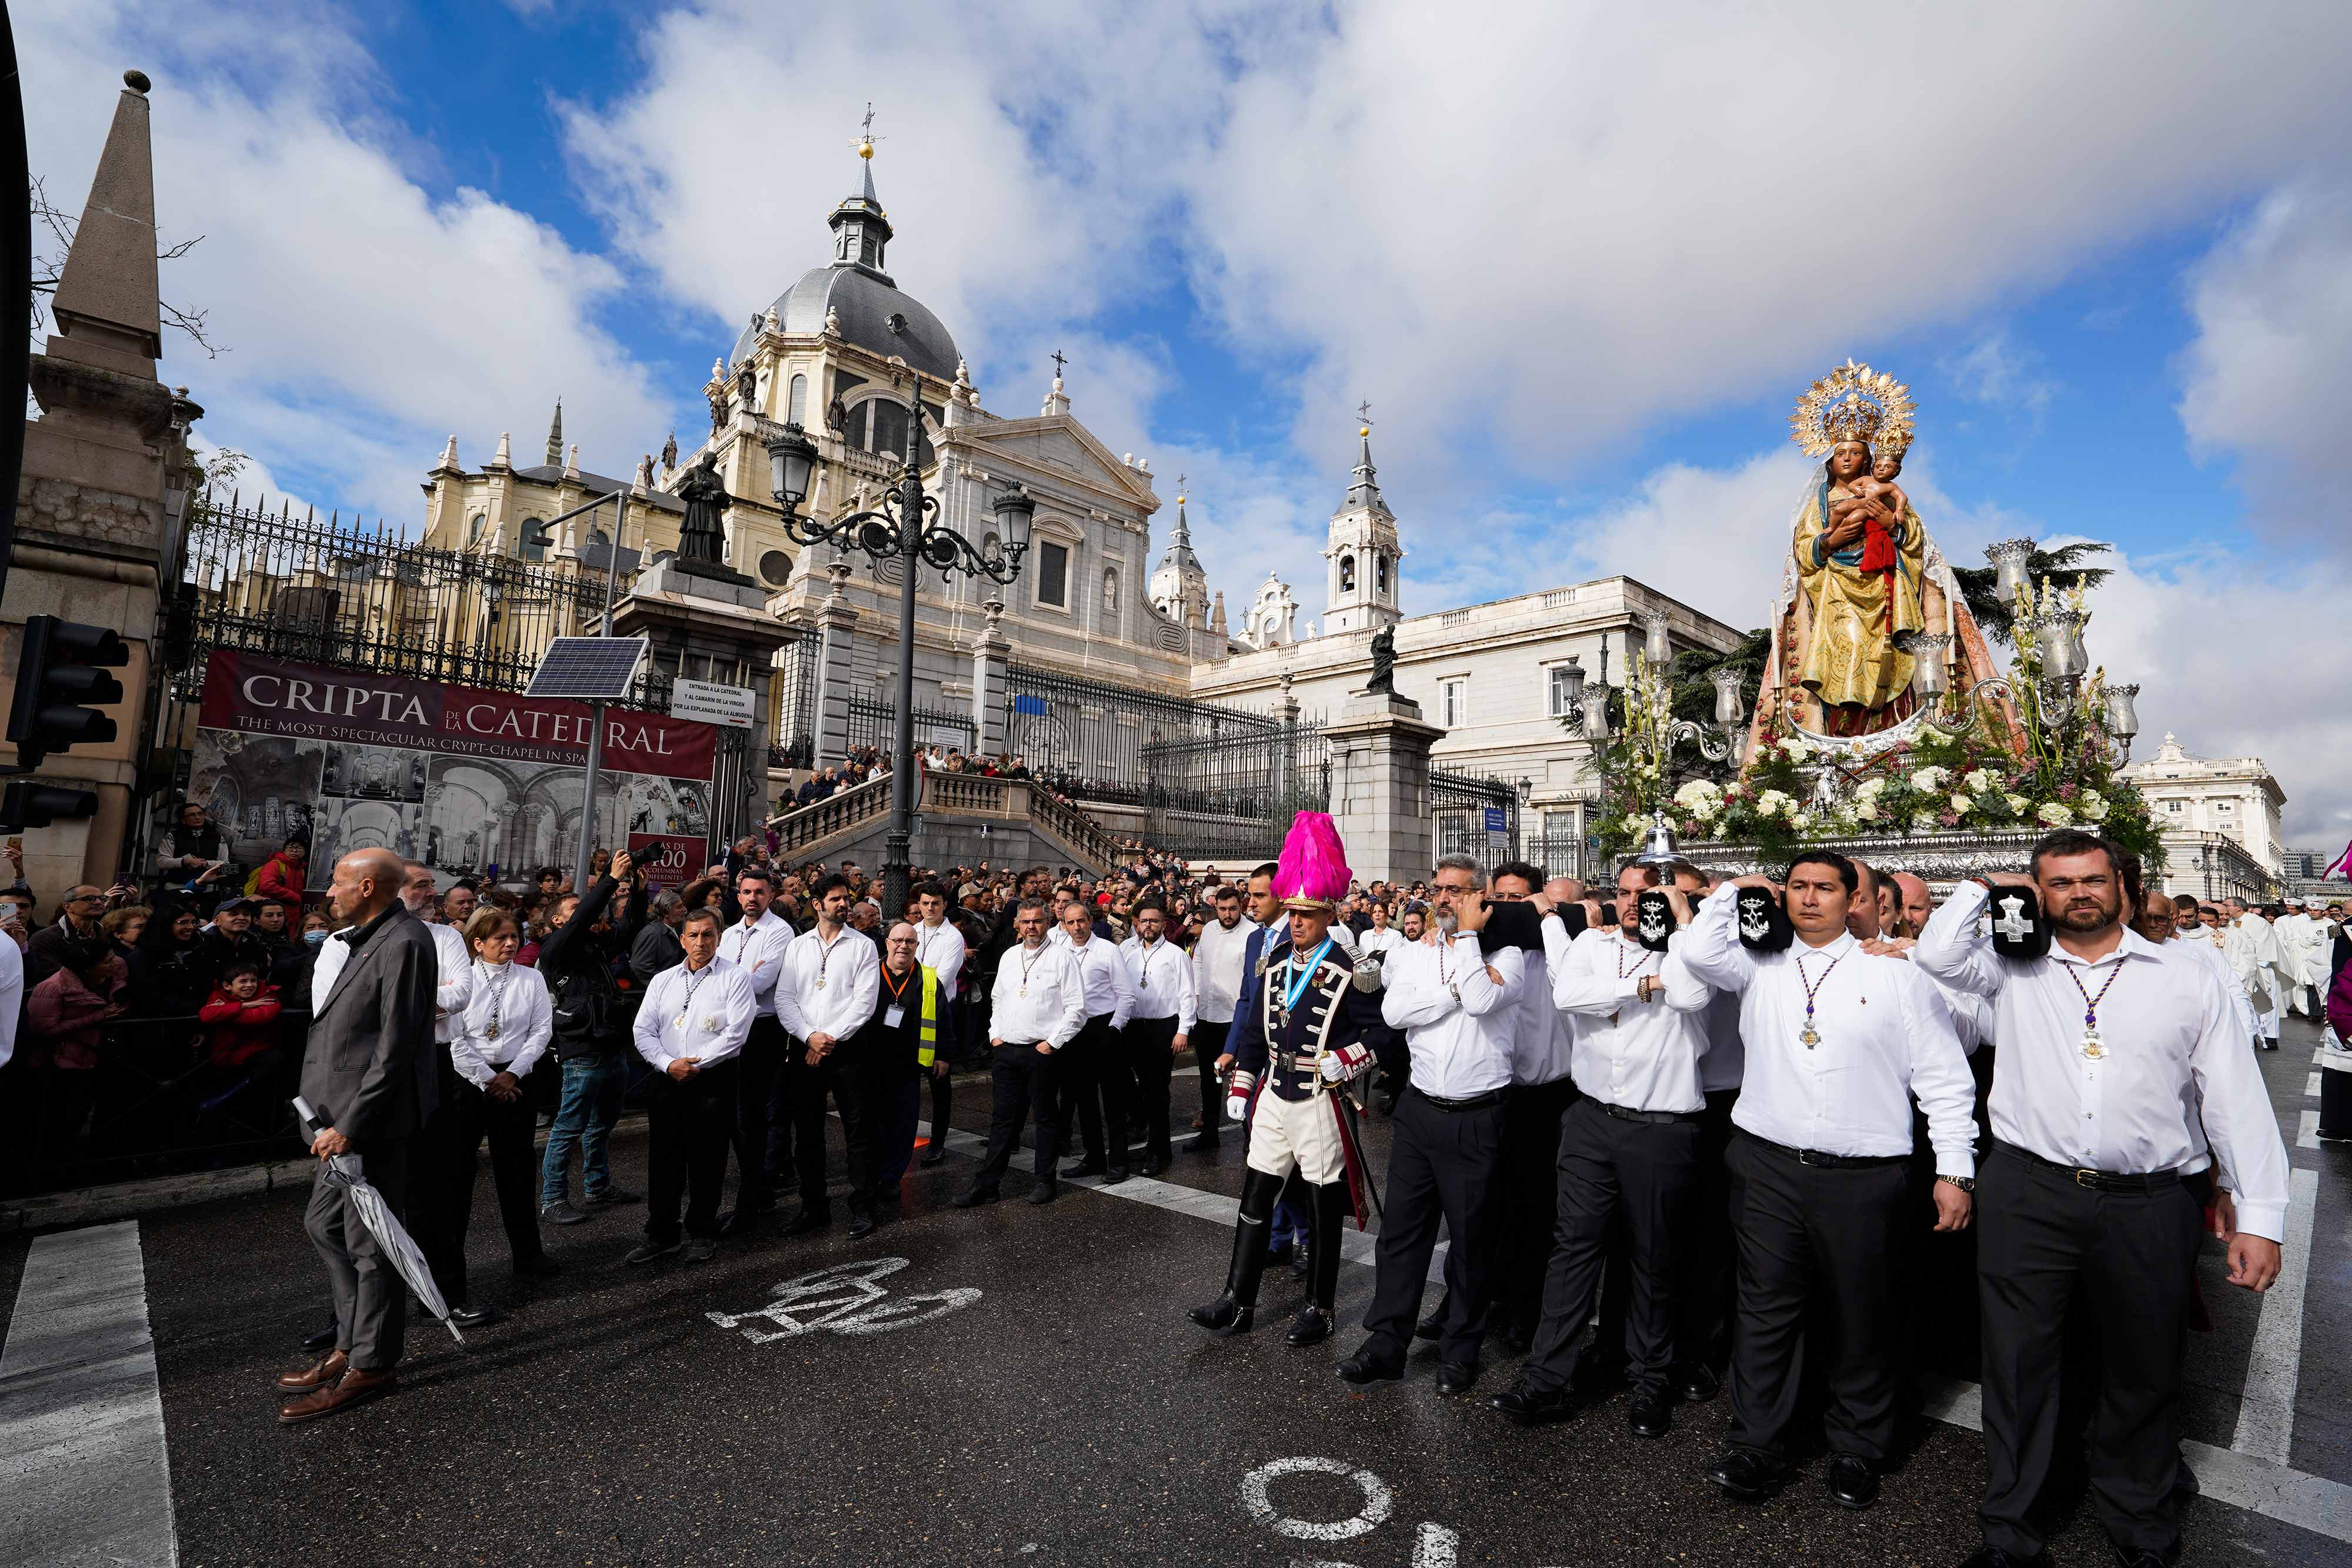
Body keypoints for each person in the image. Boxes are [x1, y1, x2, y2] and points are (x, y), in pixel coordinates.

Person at [1916, 832, 2289, 1568]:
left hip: (2148, 1202)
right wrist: (1981, 886)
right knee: (2018, 1366)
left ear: (2120, 885)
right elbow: (1934, 957)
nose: (2077, 894)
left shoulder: (2185, 976)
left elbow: (2233, 1100)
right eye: (2057, 883)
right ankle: (2011, 1530)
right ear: (2036, 893)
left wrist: (2261, 1215)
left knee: (2144, 1365)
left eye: (2091, 880)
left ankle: (2139, 1517)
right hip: (2029, 1193)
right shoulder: (2010, 966)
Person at [1677, 853, 1977, 1510]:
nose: (1809, 899)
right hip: (1767, 1166)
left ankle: (1857, 1447)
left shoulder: (1896, 975)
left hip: (1863, 1176)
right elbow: (1698, 953)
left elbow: (1943, 1078)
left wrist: (1954, 1169)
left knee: (1861, 1313)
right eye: (1797, 887)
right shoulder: (1758, 963)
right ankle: (1756, 1444)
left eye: (1825, 889)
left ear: (1854, 901)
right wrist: (1734, 887)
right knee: (1764, 1311)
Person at [1486, 858, 1713, 1437]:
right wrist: (1643, 985)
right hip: (1590, 1120)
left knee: (1652, 1258)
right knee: (1573, 1251)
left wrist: (1680, 927)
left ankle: (1649, 1383)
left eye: (1648, 893)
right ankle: (1544, 1382)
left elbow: (1687, 996)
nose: (1634, 902)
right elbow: (1573, 997)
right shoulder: (1591, 942)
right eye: (1624, 892)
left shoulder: (1688, 951)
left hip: (1661, 1129)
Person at [1188, 814, 1379, 1346]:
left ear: (1328, 914)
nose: (1297, 923)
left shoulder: (1351, 967)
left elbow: (1382, 1035)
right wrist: (1245, 1081)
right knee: (1254, 1198)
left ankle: (1320, 1307)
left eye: (1308, 914)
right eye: (1292, 913)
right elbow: (1254, 1031)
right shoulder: (1273, 964)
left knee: (1321, 1208)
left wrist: (1351, 1056)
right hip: (1275, 1094)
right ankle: (1237, 1300)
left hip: (1320, 1096)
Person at [1338, 854, 1524, 1395]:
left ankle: (1460, 1349)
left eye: (1456, 891)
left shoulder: (1507, 954)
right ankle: (1385, 1342)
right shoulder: (1413, 952)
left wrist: (1467, 944)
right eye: (1439, 889)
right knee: (1402, 1233)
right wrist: (1451, 995)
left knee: (1471, 1240)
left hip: (1476, 1111)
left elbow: (1486, 999)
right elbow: (1395, 1013)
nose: (1442, 898)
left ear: (1479, 898)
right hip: (1420, 1109)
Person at [277, 849, 442, 1425]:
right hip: (338, 1119)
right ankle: (351, 1340)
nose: (330, 893)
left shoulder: (403, 941)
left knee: (371, 1247)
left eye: (340, 883)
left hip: (367, 1124)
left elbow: (394, 1047)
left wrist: (352, 1123)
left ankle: (372, 1363)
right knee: (324, 1224)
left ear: (368, 886)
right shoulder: (365, 934)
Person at [419, 908, 558, 1328]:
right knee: (457, 1178)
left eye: (514, 936)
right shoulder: (465, 977)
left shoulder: (530, 978)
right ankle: (450, 1271)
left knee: (516, 1170)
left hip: (518, 1079)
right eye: (499, 937)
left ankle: (528, 1255)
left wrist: (514, 1072)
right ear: (477, 942)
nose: (510, 943)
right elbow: (455, 1038)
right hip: (470, 1084)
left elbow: (542, 1029)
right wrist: (488, 1079)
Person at [629, 909, 757, 1263]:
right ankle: (662, 1234)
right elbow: (643, 1030)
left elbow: (737, 1034)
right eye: (693, 935)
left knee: (707, 1159)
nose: (701, 942)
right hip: (667, 1078)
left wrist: (697, 1064)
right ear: (682, 939)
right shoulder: (663, 980)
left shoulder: (735, 978)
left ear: (718, 938)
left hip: (711, 1079)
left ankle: (702, 1231)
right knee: (664, 1160)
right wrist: (669, 1064)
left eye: (708, 936)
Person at [954, 899, 1087, 1206]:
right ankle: (988, 1184)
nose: (1032, 927)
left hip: (1042, 1052)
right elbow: (998, 997)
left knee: (1045, 1118)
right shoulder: (1010, 956)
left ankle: (1045, 1180)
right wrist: (995, 1034)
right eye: (1026, 921)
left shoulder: (1062, 958)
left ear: (1046, 923)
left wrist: (1051, 1043)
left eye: (1038, 921)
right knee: (1002, 1120)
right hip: (1007, 1051)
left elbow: (1077, 1009)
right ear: (1017, 924)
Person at [773, 872, 883, 1238]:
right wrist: (809, 1037)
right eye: (835, 899)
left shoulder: (863, 946)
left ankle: (862, 1208)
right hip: (806, 1051)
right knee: (807, 1133)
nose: (843, 904)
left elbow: (864, 1002)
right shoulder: (798, 946)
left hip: (849, 1050)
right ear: (818, 904)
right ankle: (813, 1207)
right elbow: (784, 999)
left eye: (845, 898)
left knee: (858, 1131)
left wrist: (829, 1038)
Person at [535, 854, 643, 1224]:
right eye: (574, 908)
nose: (584, 912)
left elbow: (627, 932)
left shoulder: (592, 947)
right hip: (582, 1050)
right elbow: (584, 918)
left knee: (603, 1124)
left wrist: (638, 889)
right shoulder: (556, 950)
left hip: (611, 1044)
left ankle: (598, 1188)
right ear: (558, 920)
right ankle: (553, 1198)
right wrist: (609, 880)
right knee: (569, 1126)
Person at [717, 865, 795, 1233]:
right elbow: (719, 978)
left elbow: (762, 982)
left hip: (763, 1029)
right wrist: (741, 978)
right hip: (730, 1028)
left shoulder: (780, 932)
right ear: (738, 895)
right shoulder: (729, 934)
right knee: (736, 1115)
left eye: (759, 892)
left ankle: (753, 1196)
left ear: (770, 895)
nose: (752, 898)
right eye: (746, 892)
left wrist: (734, 980)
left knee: (754, 1116)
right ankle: (758, 1188)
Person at [1054, 899, 1138, 1183]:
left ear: (1090, 921)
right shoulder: (1059, 952)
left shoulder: (1108, 950)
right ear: (1063, 926)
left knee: (1113, 1101)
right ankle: (1094, 1158)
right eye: (1071, 922)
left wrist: (1114, 1028)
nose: (1077, 927)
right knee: (1083, 1100)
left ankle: (1119, 1163)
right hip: (1073, 1031)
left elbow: (1126, 995)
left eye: (1081, 921)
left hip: (1104, 1027)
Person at [873, 921, 956, 1203]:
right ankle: (871, 1171)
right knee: (872, 1120)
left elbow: (944, 1018)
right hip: (872, 1060)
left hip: (909, 1062)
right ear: (887, 943)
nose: (903, 946)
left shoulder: (928, 977)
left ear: (917, 946)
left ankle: (892, 1176)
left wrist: (944, 1054)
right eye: (898, 940)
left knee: (903, 1122)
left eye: (910, 942)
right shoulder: (870, 972)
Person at [1118, 899, 1195, 1176]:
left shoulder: (1176, 955)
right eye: (1144, 921)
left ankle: (1158, 1152)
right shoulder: (1126, 951)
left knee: (1157, 1092)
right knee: (1125, 1084)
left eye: (1154, 921)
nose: (1148, 926)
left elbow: (1187, 994)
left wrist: (1183, 1030)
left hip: (1163, 1028)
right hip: (1132, 1027)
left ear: (1163, 924)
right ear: (1136, 923)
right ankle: (1143, 1131)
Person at [1187, 884, 1252, 1152]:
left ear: (1241, 907)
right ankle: (1209, 1133)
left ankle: (1251, 1138)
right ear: (1216, 908)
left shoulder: (1252, 934)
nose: (1227, 914)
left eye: (1233, 909)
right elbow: (1199, 961)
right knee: (1209, 1078)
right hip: (1207, 1016)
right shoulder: (1210, 930)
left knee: (1244, 1077)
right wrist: (1198, 993)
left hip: (1236, 1018)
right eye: (1223, 909)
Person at [910, 882, 967, 1168]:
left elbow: (942, 980)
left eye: (935, 903)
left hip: (940, 1011)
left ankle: (938, 1142)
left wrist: (909, 991)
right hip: (910, 1014)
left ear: (944, 905)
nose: (929, 908)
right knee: (907, 1079)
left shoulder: (953, 936)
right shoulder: (913, 932)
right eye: (924, 903)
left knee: (939, 1079)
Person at [255, 837, 308, 924]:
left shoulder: (300, 869)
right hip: (274, 911)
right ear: (284, 850)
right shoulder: (275, 864)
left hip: (293, 912)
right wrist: (292, 896)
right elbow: (266, 885)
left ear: (304, 852)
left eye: (299, 848)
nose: (294, 850)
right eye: (291, 847)